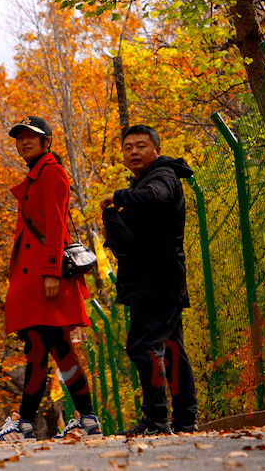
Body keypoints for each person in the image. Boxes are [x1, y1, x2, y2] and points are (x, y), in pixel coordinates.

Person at [0, 116, 101, 443]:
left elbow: (54, 225)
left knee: (42, 349)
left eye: (31, 137)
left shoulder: (51, 172)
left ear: (46, 141)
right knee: (57, 352)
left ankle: (24, 425)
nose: (24, 142)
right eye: (19, 138)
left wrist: (51, 272)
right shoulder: (38, 174)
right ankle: (86, 419)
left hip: (44, 276)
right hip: (36, 275)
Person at [99, 124, 198, 436]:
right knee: (171, 348)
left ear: (156, 149)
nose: (133, 152)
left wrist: (118, 197)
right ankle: (185, 419)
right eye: (128, 147)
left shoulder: (162, 176)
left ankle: (156, 419)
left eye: (140, 146)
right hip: (158, 277)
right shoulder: (145, 180)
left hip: (156, 279)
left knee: (144, 347)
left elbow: (156, 197)